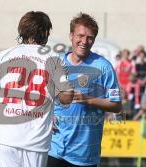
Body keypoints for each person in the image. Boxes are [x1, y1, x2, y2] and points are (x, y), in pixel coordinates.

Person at [0, 11, 73, 167]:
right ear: (45, 32)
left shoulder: (4, 55)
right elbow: (66, 98)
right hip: (36, 142)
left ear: (21, 31)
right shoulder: (54, 58)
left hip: (5, 139)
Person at [47, 13, 122, 167]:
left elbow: (116, 105)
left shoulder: (104, 67)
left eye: (90, 38)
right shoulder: (56, 63)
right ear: (71, 36)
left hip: (84, 156)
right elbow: (44, 96)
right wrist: (47, 115)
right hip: (53, 149)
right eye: (80, 36)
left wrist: (86, 99)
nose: (84, 41)